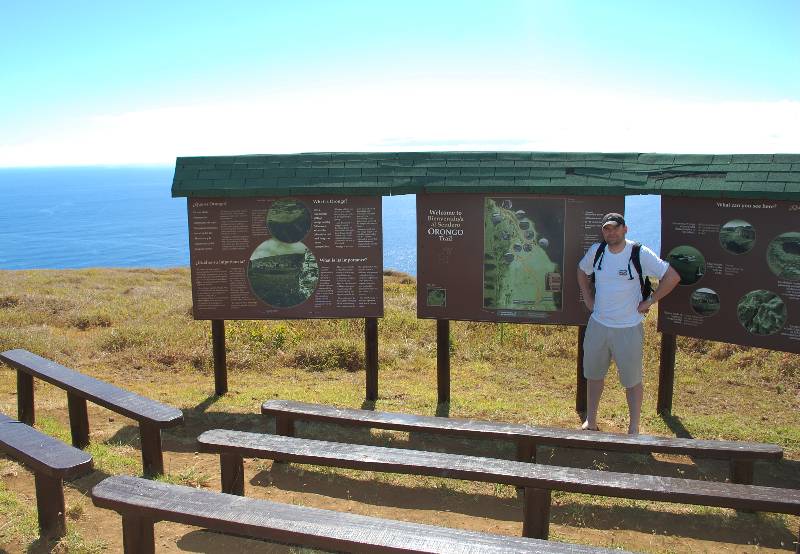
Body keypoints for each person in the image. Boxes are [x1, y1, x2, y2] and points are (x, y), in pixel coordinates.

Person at [576, 213, 680, 434]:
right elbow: (581, 271)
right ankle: (591, 421)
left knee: (632, 381)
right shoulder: (597, 251)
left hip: (628, 328)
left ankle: (633, 428)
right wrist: (587, 297)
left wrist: (651, 300)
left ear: (625, 229)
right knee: (593, 376)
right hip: (598, 325)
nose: (610, 232)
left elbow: (671, 276)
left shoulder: (638, 253)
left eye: (615, 228)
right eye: (607, 229)